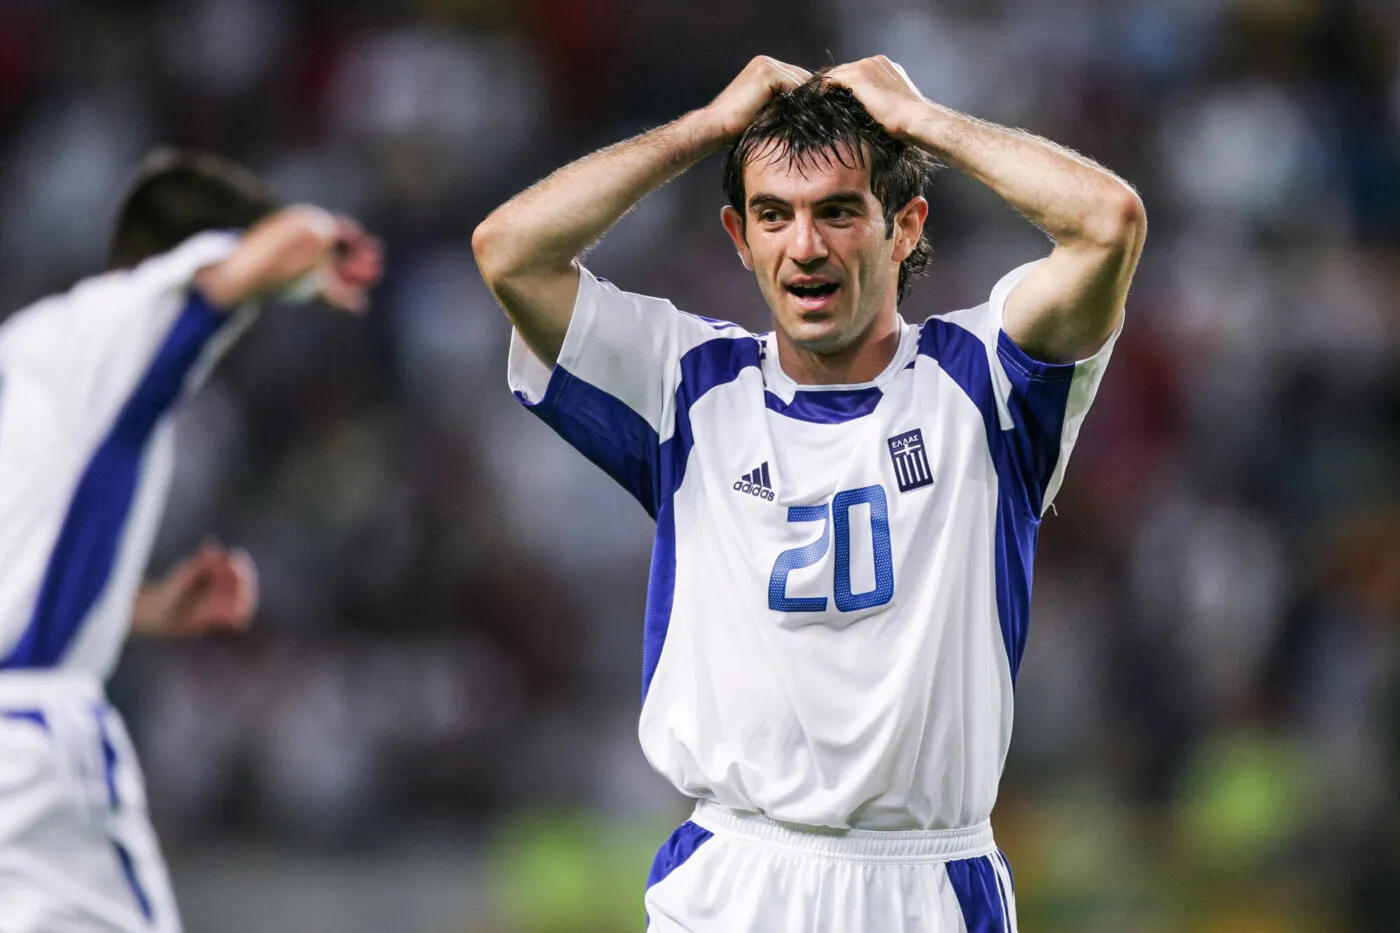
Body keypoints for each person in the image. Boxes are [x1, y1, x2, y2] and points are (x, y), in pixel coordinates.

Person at [474, 54, 1144, 931]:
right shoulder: (686, 385)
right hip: (734, 881)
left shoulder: (985, 382)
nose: (805, 245)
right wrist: (706, 127)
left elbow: (1109, 221)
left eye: (838, 211)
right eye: (773, 214)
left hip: (927, 884)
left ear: (904, 228)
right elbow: (509, 251)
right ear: (739, 238)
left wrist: (923, 118)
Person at [0, 150, 383, 933]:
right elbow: (255, 257)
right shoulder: (134, 314)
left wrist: (135, 607)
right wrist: (317, 245)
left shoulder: (27, 352)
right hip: (30, 751)